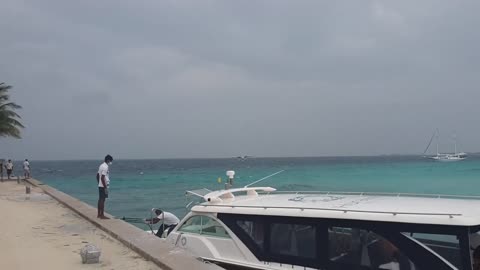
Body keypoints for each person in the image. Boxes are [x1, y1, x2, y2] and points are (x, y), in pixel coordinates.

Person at [96, 155, 113, 219]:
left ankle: (98, 214)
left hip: (100, 185)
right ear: (108, 160)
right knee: (103, 200)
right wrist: (105, 187)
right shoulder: (105, 167)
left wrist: (99, 183)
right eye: (111, 161)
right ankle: (102, 215)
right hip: (104, 185)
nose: (111, 162)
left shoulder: (101, 165)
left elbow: (97, 175)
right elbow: (103, 177)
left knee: (100, 199)